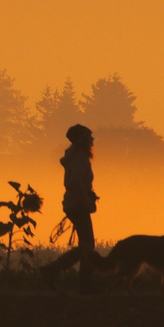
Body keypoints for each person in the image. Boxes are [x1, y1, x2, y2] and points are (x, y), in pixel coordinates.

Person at [43, 123, 101, 291]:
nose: (92, 139)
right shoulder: (81, 159)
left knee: (86, 244)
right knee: (88, 245)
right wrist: (86, 201)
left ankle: (80, 281)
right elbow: (76, 182)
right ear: (83, 140)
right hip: (78, 204)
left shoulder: (75, 157)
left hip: (73, 202)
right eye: (89, 136)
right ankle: (80, 281)